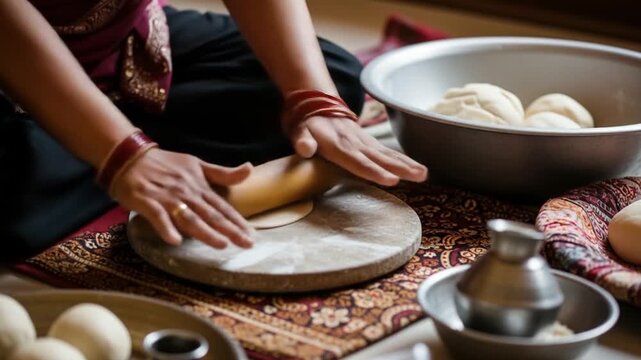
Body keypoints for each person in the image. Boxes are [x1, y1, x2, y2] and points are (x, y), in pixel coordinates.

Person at [0, 0, 428, 261]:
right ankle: (102, 148)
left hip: (127, 45)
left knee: (335, 77)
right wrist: (122, 152)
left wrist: (313, 98)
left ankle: (82, 155)